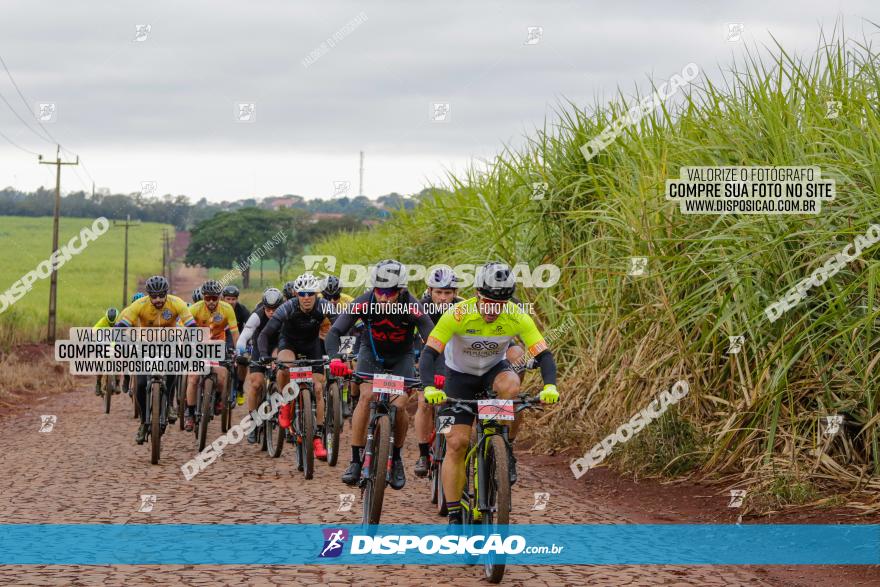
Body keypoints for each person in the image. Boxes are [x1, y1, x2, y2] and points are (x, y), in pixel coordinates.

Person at [418, 261, 559, 524]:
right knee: (457, 444)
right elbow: (429, 353)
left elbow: (544, 354)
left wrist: (550, 385)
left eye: (501, 304)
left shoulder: (516, 314)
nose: (495, 309)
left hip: (494, 372)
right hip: (457, 378)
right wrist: (428, 387)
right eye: (489, 302)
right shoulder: (458, 314)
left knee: (512, 386)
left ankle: (503, 445)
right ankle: (454, 515)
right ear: (477, 296)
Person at [325, 259, 436, 490]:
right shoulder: (364, 302)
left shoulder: (412, 306)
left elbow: (434, 339)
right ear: (373, 288)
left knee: (399, 404)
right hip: (371, 355)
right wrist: (335, 358)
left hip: (401, 358)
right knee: (366, 397)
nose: (384, 297)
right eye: (380, 291)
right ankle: (355, 460)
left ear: (401, 290)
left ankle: (395, 459)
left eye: (391, 292)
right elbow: (335, 332)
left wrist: (436, 370)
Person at [257, 273, 338, 460]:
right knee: (285, 367)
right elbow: (264, 334)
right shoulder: (287, 308)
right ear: (296, 294)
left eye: (310, 293)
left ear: (317, 294)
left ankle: (316, 437)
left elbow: (341, 327)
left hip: (312, 346)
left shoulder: (324, 305)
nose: (306, 297)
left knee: (318, 388)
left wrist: (341, 353)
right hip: (289, 344)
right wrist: (264, 356)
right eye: (302, 293)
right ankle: (285, 402)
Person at [116, 275, 196, 444]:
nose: (158, 299)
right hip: (145, 345)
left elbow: (191, 326)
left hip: (170, 343)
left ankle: (168, 405)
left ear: (166, 293)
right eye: (154, 296)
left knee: (174, 368)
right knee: (141, 384)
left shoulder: (177, 303)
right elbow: (122, 326)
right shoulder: (139, 305)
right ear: (148, 295)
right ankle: (144, 423)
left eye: (161, 295)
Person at [413, 266, 463, 478]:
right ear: (429, 291)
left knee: (457, 404)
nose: (443, 298)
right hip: (426, 359)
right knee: (424, 402)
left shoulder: (464, 307)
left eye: (448, 293)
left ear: (455, 293)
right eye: (438, 293)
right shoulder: (419, 307)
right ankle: (423, 453)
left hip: (455, 361)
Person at [183, 280, 239, 431]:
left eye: (215, 298)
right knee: (193, 377)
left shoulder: (227, 309)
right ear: (203, 297)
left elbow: (234, 333)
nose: (212, 302)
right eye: (208, 298)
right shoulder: (195, 309)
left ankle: (218, 400)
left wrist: (239, 351)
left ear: (220, 297)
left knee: (222, 376)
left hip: (218, 345)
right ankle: (190, 413)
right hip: (199, 345)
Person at [236, 287, 284, 443]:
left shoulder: (286, 315)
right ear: (263, 307)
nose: (271, 312)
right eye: (268, 309)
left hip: (278, 346)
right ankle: (253, 421)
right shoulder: (257, 315)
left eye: (274, 309)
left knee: (282, 373)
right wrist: (240, 351)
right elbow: (245, 335)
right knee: (256, 384)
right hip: (259, 348)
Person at [222, 284, 251, 405]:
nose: (231, 302)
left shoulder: (242, 310)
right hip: (221, 338)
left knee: (242, 360)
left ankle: (239, 388)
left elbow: (250, 327)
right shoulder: (219, 309)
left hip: (237, 338)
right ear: (223, 299)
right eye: (228, 299)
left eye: (233, 299)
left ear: (237, 299)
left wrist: (249, 343)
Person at [93, 307, 119, 396]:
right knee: (99, 361)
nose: (112, 324)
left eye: (113, 323)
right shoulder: (103, 320)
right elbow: (94, 329)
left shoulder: (120, 322)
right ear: (106, 318)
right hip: (104, 344)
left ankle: (118, 382)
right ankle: (98, 383)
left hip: (115, 345)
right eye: (109, 323)